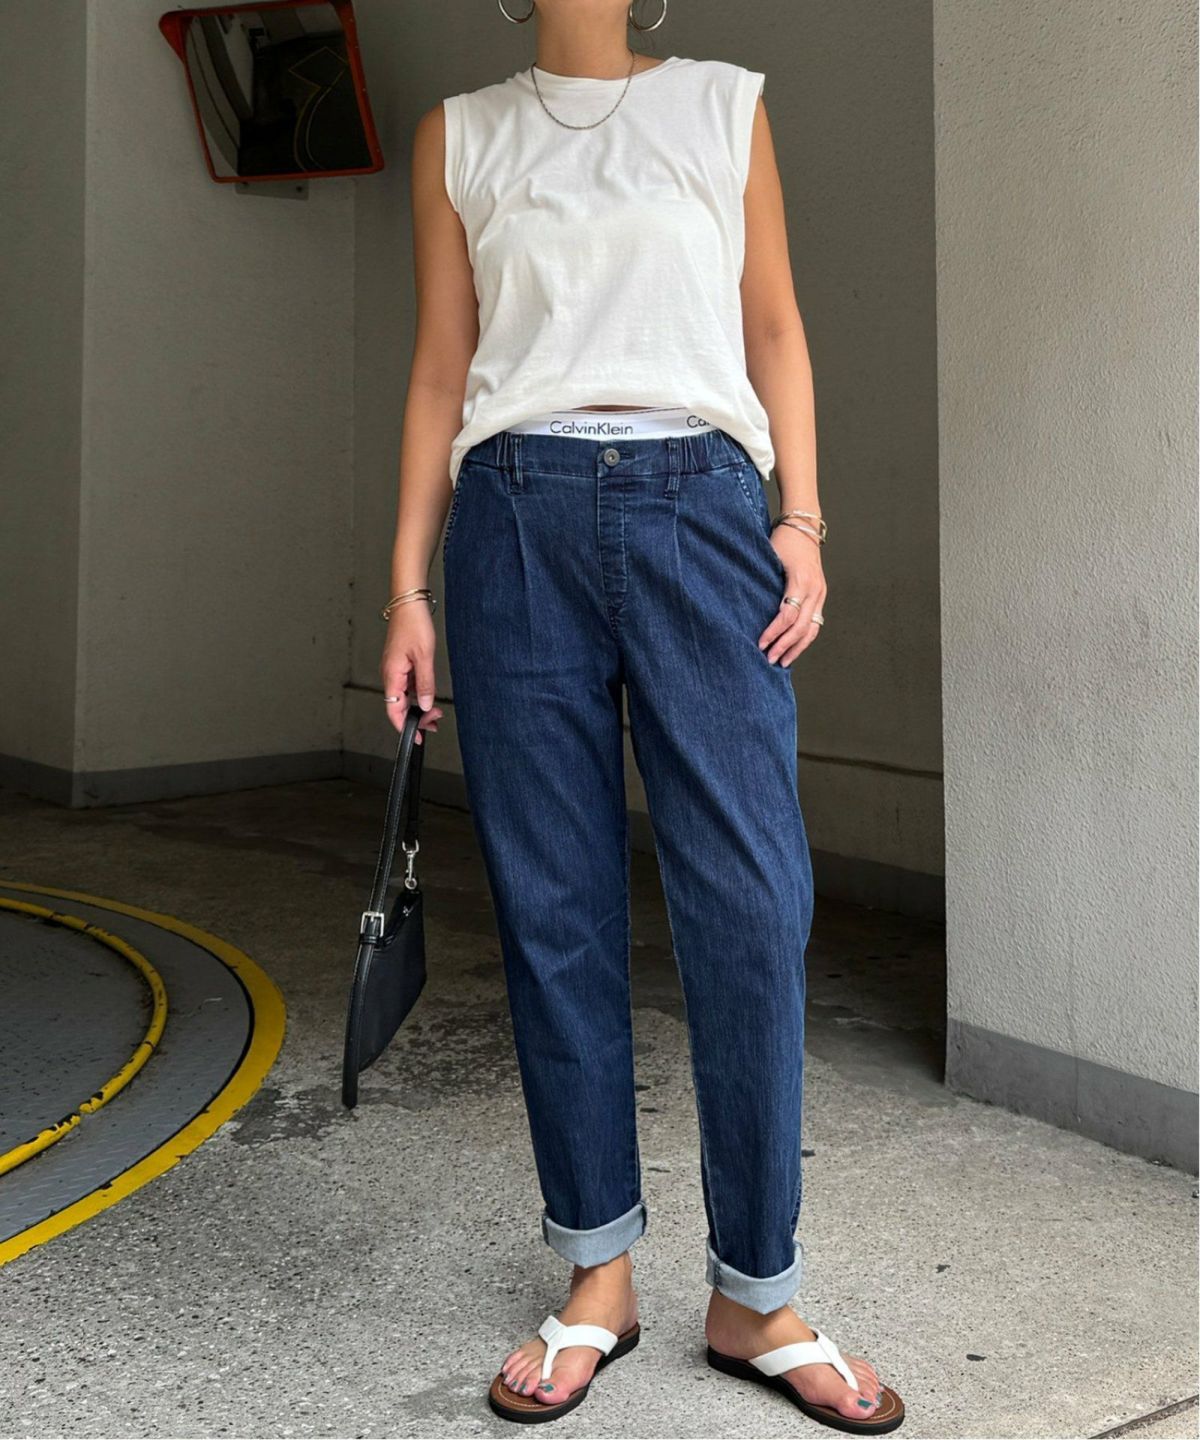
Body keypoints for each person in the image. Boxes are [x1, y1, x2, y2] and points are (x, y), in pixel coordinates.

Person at [380, 0, 904, 1431]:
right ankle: (597, 1273)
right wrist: (408, 588)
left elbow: (774, 325)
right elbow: (440, 367)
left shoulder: (724, 107)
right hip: (513, 519)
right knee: (554, 904)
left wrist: (802, 516)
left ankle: (757, 1295)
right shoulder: (460, 137)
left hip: (703, 511)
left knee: (752, 902)